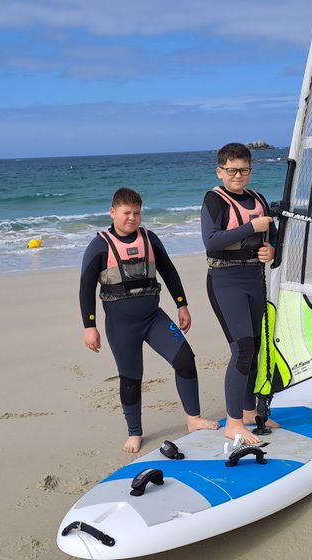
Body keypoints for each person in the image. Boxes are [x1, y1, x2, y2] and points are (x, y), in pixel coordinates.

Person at [80, 187, 219, 452]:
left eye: (137, 213)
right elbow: (86, 287)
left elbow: (169, 271)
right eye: (126, 213)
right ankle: (134, 432)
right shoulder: (99, 245)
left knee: (185, 359)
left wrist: (182, 305)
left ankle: (193, 419)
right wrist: (90, 327)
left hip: (154, 318)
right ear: (113, 212)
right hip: (121, 327)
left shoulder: (149, 239)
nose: (132, 218)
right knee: (131, 379)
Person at [201, 143, 280, 446]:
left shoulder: (258, 199)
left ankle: (248, 412)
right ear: (219, 171)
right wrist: (250, 227)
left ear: (250, 170)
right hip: (225, 281)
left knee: (255, 346)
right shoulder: (214, 199)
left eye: (244, 170)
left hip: (253, 278)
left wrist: (271, 250)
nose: (238, 175)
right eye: (231, 170)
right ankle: (232, 423)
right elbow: (212, 241)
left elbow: (273, 238)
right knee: (242, 348)